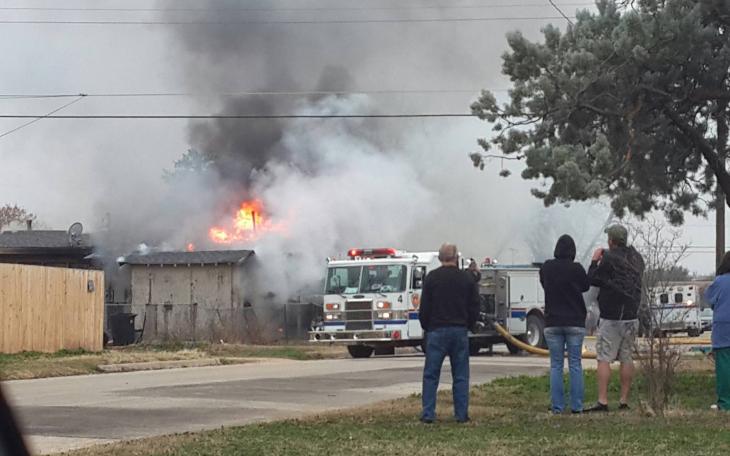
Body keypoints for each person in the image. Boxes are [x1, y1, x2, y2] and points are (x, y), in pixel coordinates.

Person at [585, 224, 645, 412]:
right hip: (631, 315)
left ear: (611, 241)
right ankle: (623, 400)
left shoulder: (609, 258)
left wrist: (595, 261)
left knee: (604, 358)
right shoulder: (637, 258)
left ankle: (602, 401)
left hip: (611, 316)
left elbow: (593, 279)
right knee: (627, 358)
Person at [419, 243, 480, 423]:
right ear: (456, 258)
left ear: (439, 258)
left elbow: (424, 309)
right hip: (459, 330)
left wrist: (427, 327)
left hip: (436, 331)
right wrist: (469, 324)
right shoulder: (466, 279)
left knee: (431, 375)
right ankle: (461, 415)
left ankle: (428, 413)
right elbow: (475, 305)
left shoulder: (431, 278)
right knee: (460, 375)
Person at [539, 234, 591, 414]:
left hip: (552, 322)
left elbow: (544, 284)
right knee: (575, 363)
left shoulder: (547, 267)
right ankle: (577, 406)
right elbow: (586, 286)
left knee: (556, 365)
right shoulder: (576, 269)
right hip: (575, 321)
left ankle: (557, 406)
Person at [704, 251, 730, 411]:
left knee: (724, 366)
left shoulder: (719, 281)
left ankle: (725, 402)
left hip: (724, 327)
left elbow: (711, 300)